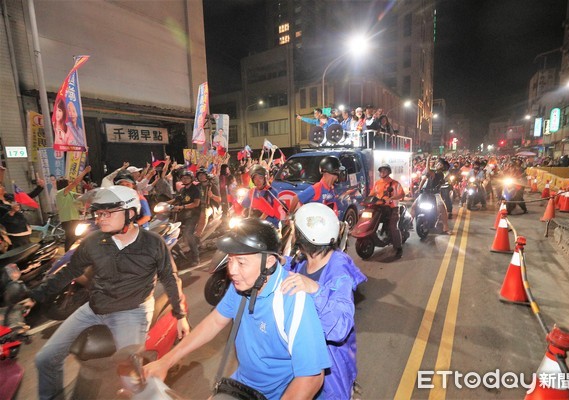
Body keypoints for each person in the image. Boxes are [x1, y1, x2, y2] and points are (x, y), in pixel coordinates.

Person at [24, 186, 189, 400]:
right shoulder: (94, 242)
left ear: (130, 213)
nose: (100, 219)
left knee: (131, 378)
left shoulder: (152, 244)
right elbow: (69, 272)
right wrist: (33, 297)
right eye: (98, 213)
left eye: (107, 213)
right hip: (94, 308)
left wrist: (180, 315)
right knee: (45, 359)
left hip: (132, 311)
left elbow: (169, 277)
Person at [143, 218, 330, 399]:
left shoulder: (292, 300)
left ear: (269, 262)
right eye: (230, 260)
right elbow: (215, 321)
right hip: (241, 385)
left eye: (241, 262)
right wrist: (166, 361)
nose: (232, 270)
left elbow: (312, 377)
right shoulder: (244, 284)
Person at [282, 203, 366, 399]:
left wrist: (314, 288)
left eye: (295, 231)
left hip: (330, 368)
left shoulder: (339, 271)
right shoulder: (303, 262)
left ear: (304, 238)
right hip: (303, 359)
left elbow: (340, 326)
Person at [369, 164, 406, 255]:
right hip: (380, 208)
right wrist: (366, 200)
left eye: (385, 170)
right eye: (381, 170)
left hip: (392, 208)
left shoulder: (395, 183)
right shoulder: (377, 183)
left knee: (393, 226)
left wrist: (392, 198)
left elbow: (402, 194)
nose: (382, 172)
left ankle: (398, 247)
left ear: (389, 172)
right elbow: (372, 194)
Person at [411, 156, 451, 234]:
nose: (438, 165)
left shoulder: (440, 174)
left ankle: (445, 227)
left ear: (443, 167)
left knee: (442, 207)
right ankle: (409, 223)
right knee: (414, 206)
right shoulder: (432, 171)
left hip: (435, 193)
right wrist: (419, 188)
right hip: (425, 192)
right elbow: (423, 179)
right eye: (438, 163)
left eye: (440, 164)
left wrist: (428, 159)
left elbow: (428, 171)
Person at [56, 165, 92, 251]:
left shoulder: (70, 194)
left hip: (75, 219)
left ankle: (75, 254)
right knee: (70, 238)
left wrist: (88, 189)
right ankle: (67, 256)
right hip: (68, 220)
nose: (70, 184)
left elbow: (83, 197)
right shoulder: (60, 193)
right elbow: (75, 183)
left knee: (77, 237)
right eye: (68, 183)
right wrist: (85, 172)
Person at [170, 170, 200, 264]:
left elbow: (196, 203)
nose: (185, 179)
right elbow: (176, 199)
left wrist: (182, 207)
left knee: (188, 234)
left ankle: (196, 258)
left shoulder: (195, 189)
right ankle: (179, 255)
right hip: (182, 214)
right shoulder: (183, 190)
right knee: (171, 232)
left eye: (187, 178)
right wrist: (163, 204)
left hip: (193, 215)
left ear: (191, 179)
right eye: (183, 178)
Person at [194, 167, 221, 240]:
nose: (201, 177)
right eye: (199, 175)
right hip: (198, 206)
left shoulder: (212, 186)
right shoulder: (196, 187)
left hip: (210, 206)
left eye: (203, 175)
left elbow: (219, 199)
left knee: (204, 213)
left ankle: (198, 236)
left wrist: (212, 196)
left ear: (206, 176)